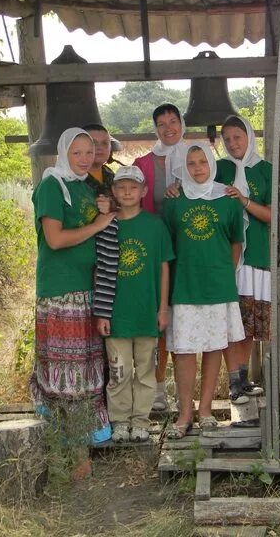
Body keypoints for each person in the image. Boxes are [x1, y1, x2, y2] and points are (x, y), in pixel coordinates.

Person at [30, 127, 116, 477]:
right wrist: (97, 225)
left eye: (89, 151)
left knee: (84, 370)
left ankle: (82, 446)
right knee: (67, 373)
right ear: (64, 152)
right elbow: (54, 239)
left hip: (88, 288)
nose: (84, 158)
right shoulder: (52, 186)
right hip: (62, 291)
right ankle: (71, 452)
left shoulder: (85, 186)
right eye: (76, 152)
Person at [162, 142, 246, 436]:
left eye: (203, 162)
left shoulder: (227, 199)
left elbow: (237, 241)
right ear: (183, 168)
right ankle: (185, 414)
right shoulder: (173, 201)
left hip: (218, 285)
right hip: (184, 284)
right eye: (192, 163)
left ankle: (206, 409)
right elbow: (167, 245)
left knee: (214, 345)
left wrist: (225, 270)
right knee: (184, 350)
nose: (198, 168)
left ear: (212, 164)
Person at [93, 166, 173, 443]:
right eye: (122, 187)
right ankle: (120, 421)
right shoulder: (107, 224)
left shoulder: (154, 225)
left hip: (146, 313)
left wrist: (163, 308)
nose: (127, 192)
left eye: (133, 187)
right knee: (119, 371)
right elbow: (100, 268)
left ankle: (141, 420)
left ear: (144, 191)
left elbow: (164, 267)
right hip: (116, 314)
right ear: (114, 191)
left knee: (146, 370)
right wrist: (101, 312)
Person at [215, 115, 272, 403]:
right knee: (231, 320)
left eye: (238, 136)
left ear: (249, 137)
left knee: (247, 321)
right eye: (227, 139)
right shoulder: (218, 168)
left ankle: (243, 376)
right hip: (227, 255)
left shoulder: (265, 170)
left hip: (257, 253)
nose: (233, 143)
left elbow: (274, 215)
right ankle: (233, 382)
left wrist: (244, 201)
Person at [133, 103, 186, 412]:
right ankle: (157, 390)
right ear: (155, 128)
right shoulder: (143, 163)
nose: (168, 127)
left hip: (190, 252)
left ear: (182, 123)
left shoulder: (197, 158)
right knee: (160, 322)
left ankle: (184, 391)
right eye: (162, 123)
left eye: (173, 121)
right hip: (156, 254)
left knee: (185, 321)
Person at [83, 124, 117, 197]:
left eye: (104, 143)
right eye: (93, 143)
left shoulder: (111, 175)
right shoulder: (71, 179)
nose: (99, 147)